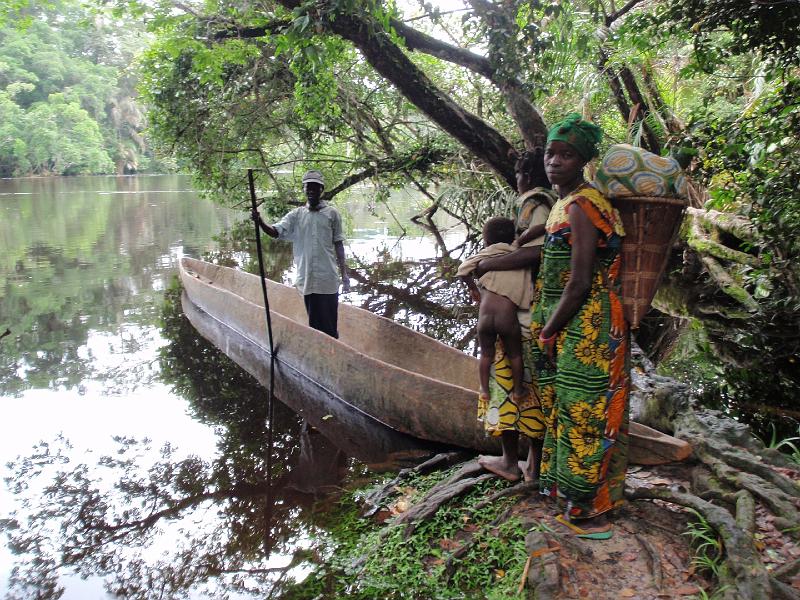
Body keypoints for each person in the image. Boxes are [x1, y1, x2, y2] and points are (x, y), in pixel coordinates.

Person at [531, 113, 629, 539]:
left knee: (585, 414)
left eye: (565, 154)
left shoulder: (584, 206)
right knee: (568, 411)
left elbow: (580, 281)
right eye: (551, 152)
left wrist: (549, 329)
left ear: (582, 160)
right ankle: (569, 497)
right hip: (574, 324)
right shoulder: (563, 202)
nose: (554, 161)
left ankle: (592, 513)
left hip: (589, 326)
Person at [470, 149, 556, 483]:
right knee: (532, 387)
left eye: (518, 173)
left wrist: (489, 264)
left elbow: (537, 251)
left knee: (504, 382)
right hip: (532, 309)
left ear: (527, 176)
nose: (516, 180)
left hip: (523, 314)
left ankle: (510, 462)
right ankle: (533, 465)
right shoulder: (550, 203)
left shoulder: (534, 202)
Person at [252, 170, 349, 338]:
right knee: (314, 325)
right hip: (307, 279)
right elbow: (276, 232)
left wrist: (345, 274)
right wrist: (260, 222)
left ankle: (333, 353)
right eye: (308, 187)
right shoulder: (296, 215)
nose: (311, 191)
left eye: (315, 187)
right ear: (303, 190)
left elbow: (339, 244)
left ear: (322, 190)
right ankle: (319, 353)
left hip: (328, 279)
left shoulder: (332, 214)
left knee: (330, 326)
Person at [457, 216, 537, 417]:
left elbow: (462, 270)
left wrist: (473, 289)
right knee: (515, 355)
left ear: (486, 240)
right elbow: (531, 239)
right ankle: (518, 390)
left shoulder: (485, 255)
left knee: (485, 355)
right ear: (513, 238)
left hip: (484, 320)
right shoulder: (516, 252)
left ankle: (484, 390)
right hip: (506, 318)